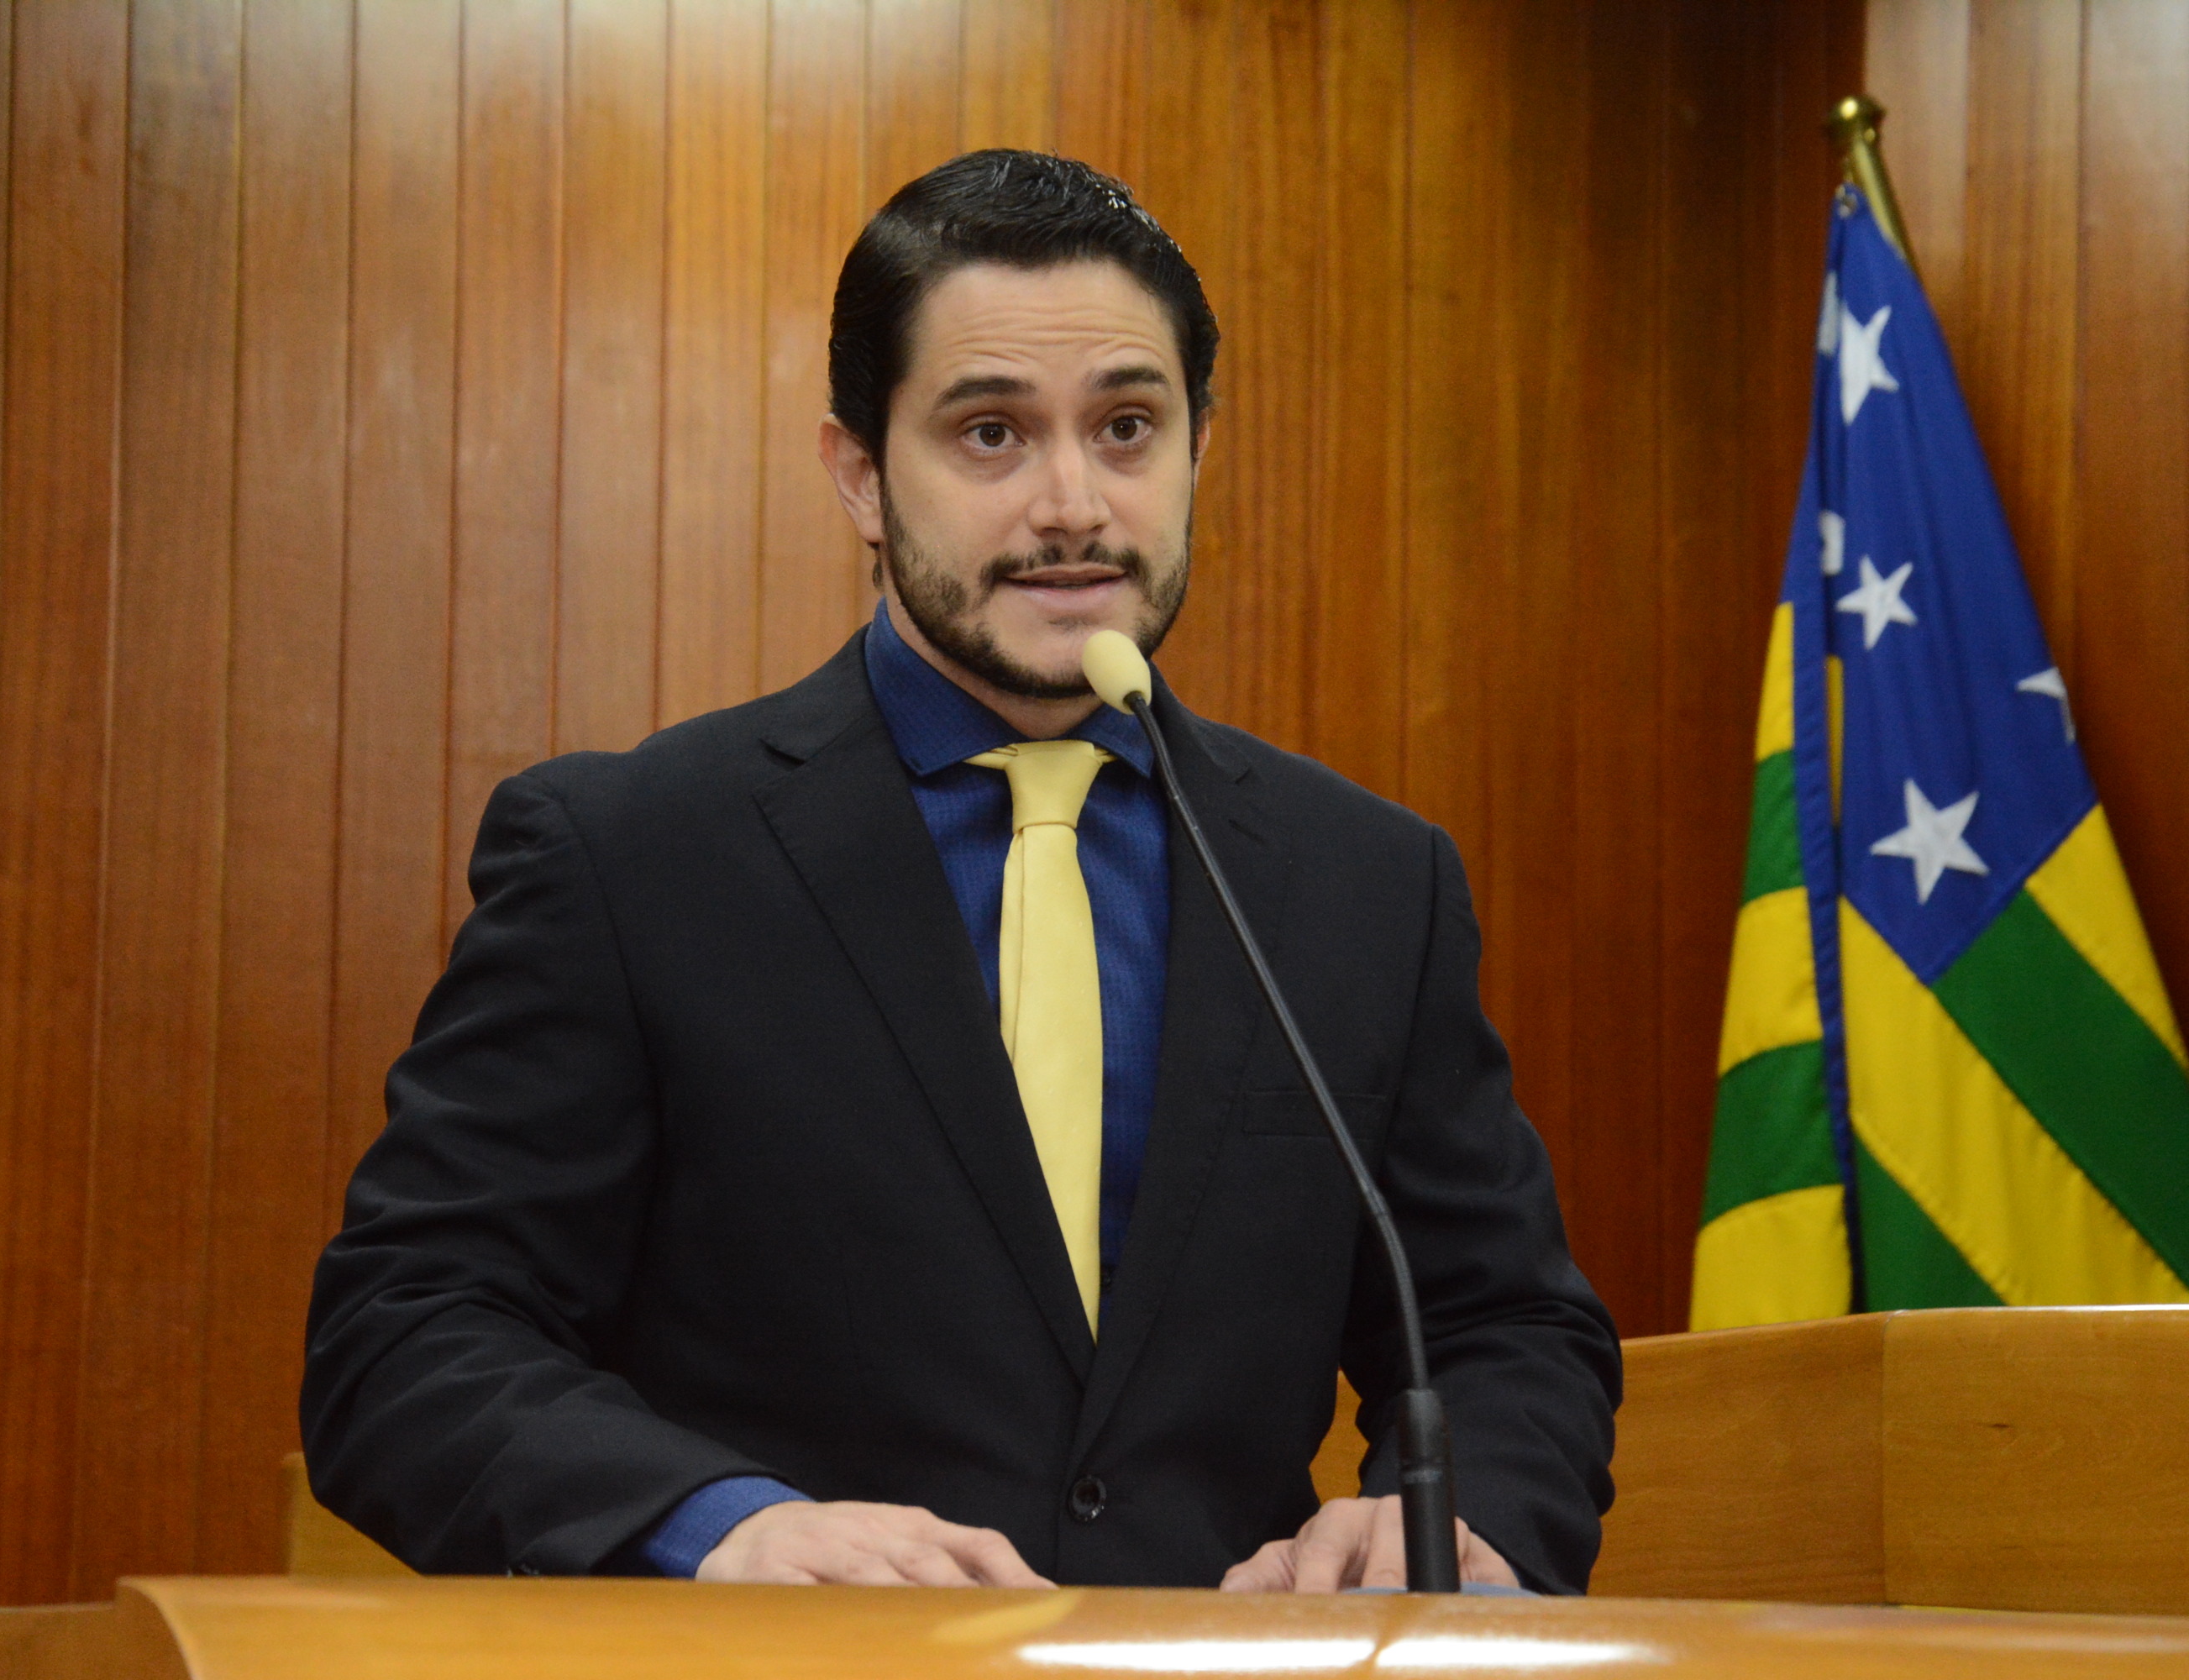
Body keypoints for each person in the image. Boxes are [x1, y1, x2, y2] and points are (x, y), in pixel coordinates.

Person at [302, 150, 1619, 1595]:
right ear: (861, 475)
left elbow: (1505, 1328)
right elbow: (407, 1332)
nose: (1073, 504)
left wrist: (1446, 1522)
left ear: (1199, 447)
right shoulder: (627, 856)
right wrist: (725, 1527)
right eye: (991, 434)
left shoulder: (1364, 882)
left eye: (1127, 427)